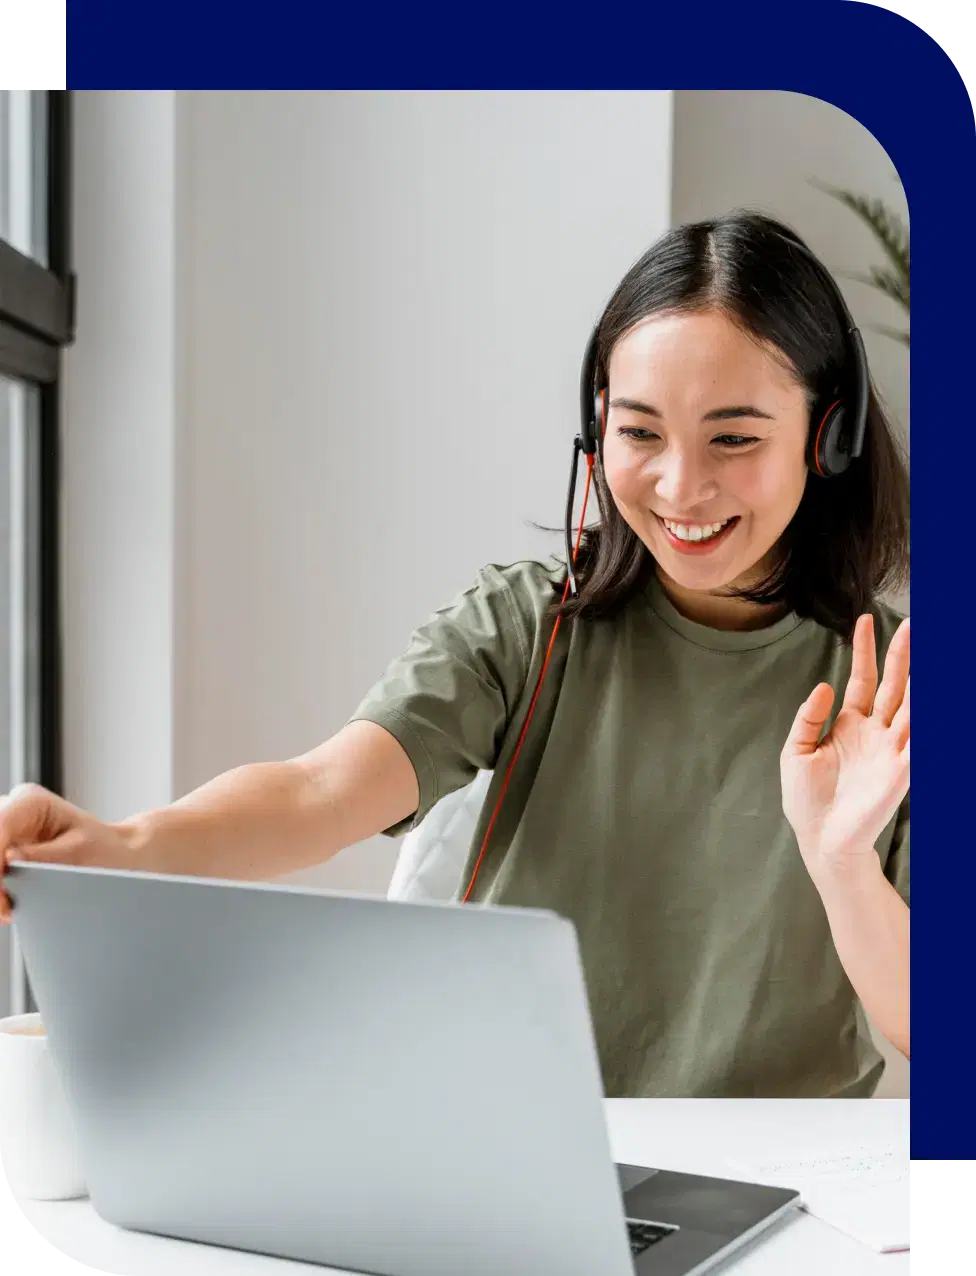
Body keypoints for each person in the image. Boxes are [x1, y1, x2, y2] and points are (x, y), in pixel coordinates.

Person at [1, 210, 909, 1099]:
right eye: (639, 433)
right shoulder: (524, 624)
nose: (680, 484)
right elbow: (321, 792)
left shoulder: (896, 687)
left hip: (783, 1179)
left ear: (829, 437)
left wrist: (841, 862)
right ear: (598, 430)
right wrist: (118, 848)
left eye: (735, 438)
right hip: (509, 1134)